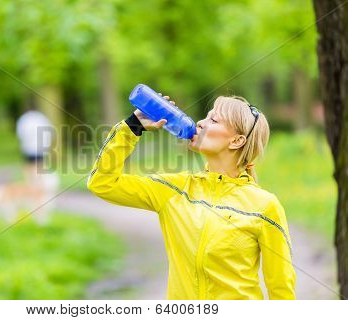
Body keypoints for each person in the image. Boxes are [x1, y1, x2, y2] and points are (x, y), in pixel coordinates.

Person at [87, 94, 296, 300]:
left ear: (237, 140)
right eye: (205, 117)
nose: (200, 123)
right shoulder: (174, 190)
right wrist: (132, 126)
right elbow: (103, 183)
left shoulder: (264, 205)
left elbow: (281, 289)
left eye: (213, 120)